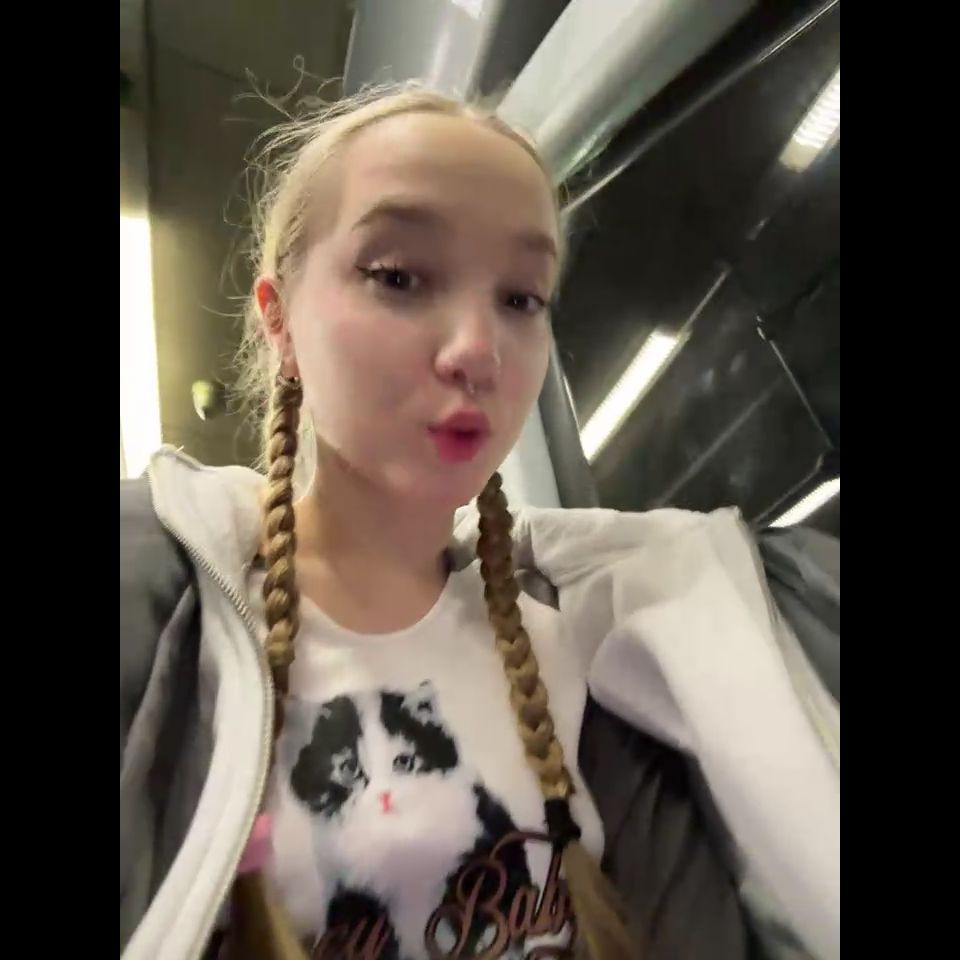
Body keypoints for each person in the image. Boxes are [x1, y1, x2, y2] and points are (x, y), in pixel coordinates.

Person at [120, 85, 839, 960]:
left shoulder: (588, 649)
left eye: (522, 298)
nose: (477, 351)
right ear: (280, 322)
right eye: (398, 277)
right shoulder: (164, 623)